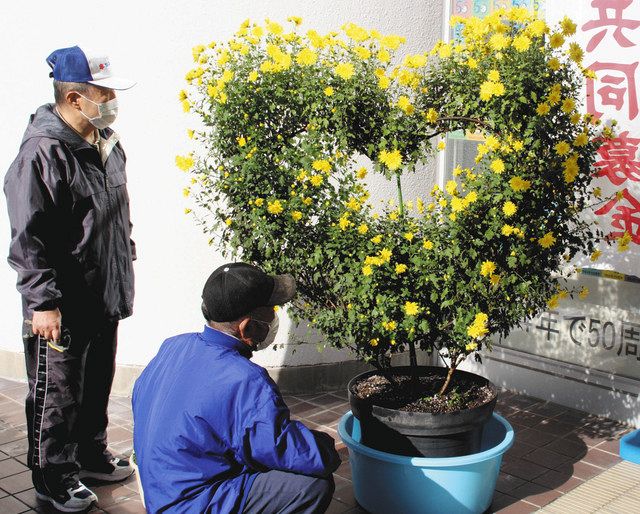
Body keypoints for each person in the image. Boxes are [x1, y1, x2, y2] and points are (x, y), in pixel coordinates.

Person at [3, 46, 137, 512]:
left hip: (105, 294)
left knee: (97, 382)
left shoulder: (107, 143)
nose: (113, 100)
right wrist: (43, 302)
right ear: (77, 97)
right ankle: (53, 476)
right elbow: (29, 237)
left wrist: (126, 257)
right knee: (56, 394)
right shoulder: (42, 153)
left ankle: (90, 454)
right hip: (61, 305)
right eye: (106, 93)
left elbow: (116, 215)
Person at [132, 262, 341, 514]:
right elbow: (283, 448)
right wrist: (326, 447)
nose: (275, 318)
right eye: (271, 311)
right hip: (191, 504)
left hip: (161, 489)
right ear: (247, 327)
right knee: (311, 485)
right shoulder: (245, 380)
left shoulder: (173, 346)